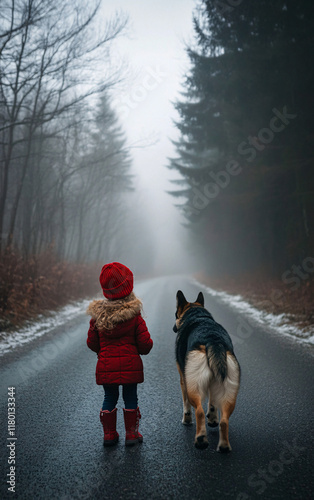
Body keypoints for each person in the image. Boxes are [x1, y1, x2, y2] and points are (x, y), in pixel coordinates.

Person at [86, 262, 153, 447]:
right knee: (130, 397)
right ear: (128, 287)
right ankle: (131, 434)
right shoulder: (134, 316)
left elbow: (91, 343)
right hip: (131, 368)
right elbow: (145, 345)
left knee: (109, 397)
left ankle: (109, 435)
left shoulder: (97, 317)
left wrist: (103, 352)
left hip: (107, 368)